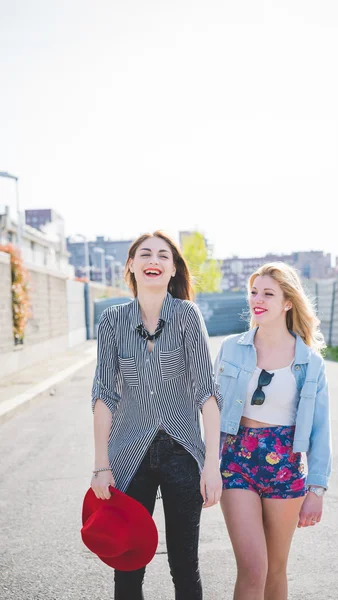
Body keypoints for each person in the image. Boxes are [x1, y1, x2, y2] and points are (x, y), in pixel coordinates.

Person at [90, 230, 223, 600]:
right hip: (128, 455)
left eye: (163, 255)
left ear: (173, 268)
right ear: (131, 265)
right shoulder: (112, 321)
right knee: (127, 567)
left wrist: (212, 464)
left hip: (183, 453)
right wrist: (101, 464)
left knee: (184, 565)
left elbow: (207, 394)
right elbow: (104, 394)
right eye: (145, 254)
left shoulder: (187, 316)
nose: (154, 260)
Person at [215, 262, 331, 600]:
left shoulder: (310, 362)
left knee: (276, 570)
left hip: (285, 463)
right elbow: (211, 409)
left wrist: (317, 490)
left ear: (287, 302)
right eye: (254, 292)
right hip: (236, 460)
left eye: (268, 293)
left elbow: (321, 430)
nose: (257, 300)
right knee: (253, 568)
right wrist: (206, 463)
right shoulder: (232, 348)